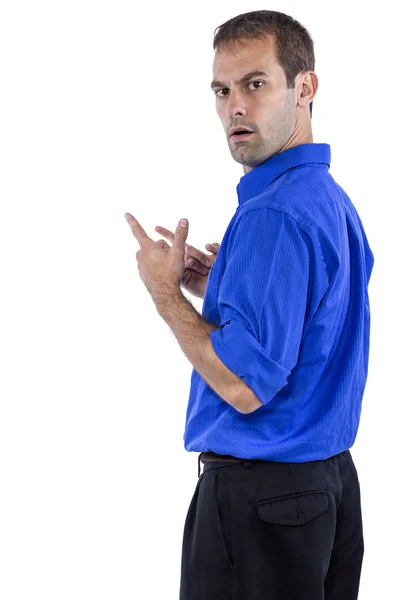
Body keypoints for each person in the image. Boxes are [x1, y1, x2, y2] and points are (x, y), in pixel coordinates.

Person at [124, 9, 374, 600]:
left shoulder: (272, 212)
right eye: (222, 89)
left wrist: (164, 295)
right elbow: (316, 325)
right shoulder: (328, 199)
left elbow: (243, 385)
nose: (234, 106)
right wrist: (223, 289)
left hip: (261, 503)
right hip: (328, 489)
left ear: (304, 87)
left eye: (255, 84)